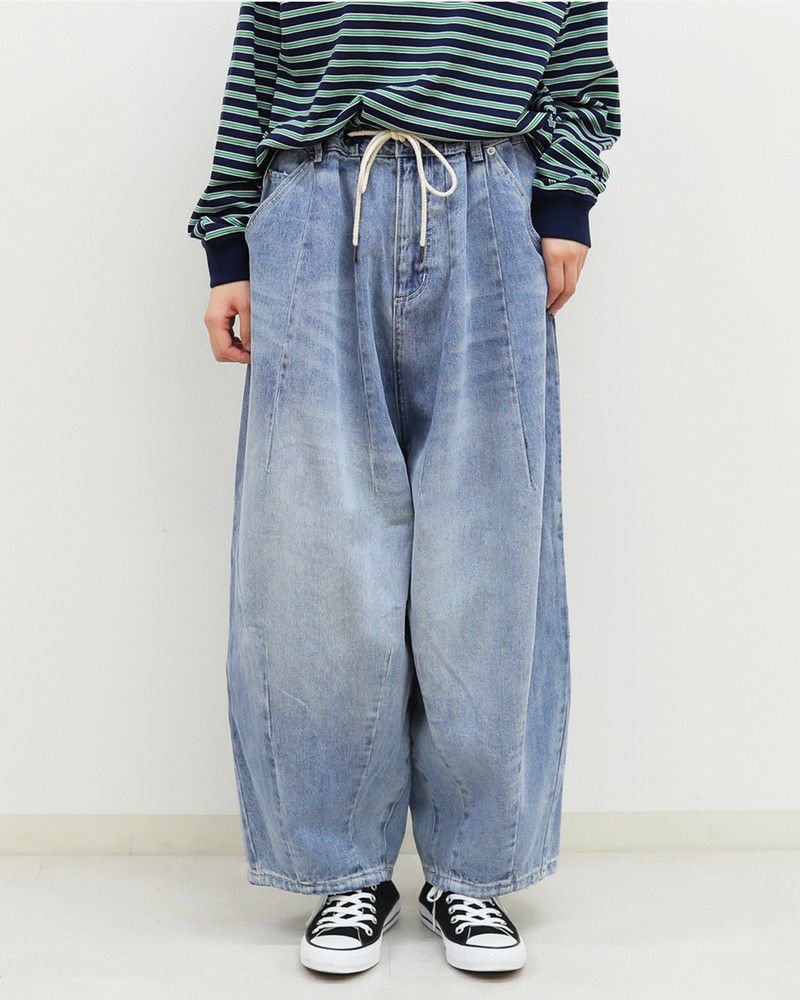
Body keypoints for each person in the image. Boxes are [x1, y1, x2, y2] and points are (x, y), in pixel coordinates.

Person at [189, 1, 620, 976]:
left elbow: (578, 65)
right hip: (313, 201)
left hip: (491, 199)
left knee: (486, 550)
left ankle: (472, 870)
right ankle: (346, 868)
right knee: (315, 554)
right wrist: (226, 244)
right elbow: (260, 62)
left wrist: (565, 199)